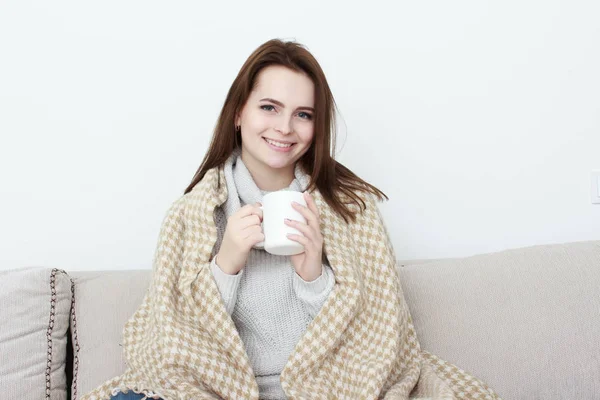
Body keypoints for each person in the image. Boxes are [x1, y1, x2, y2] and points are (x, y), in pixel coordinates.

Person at [86, 38, 501, 400]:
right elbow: (171, 339)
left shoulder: (350, 209)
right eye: (269, 107)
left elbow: (378, 335)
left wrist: (313, 277)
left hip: (326, 390)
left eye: (303, 114)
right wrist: (225, 265)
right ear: (238, 113)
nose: (285, 128)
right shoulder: (190, 216)